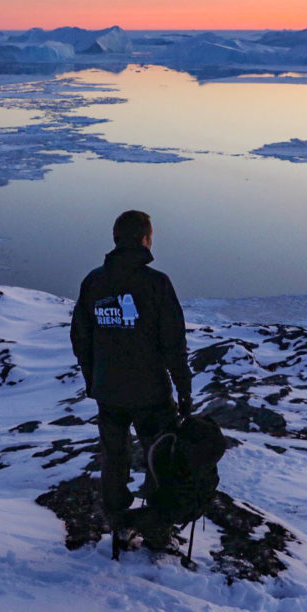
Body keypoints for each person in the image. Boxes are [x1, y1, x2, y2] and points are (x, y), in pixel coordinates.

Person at [70, 210, 193, 543]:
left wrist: (93, 380)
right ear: (145, 239)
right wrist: (184, 391)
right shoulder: (156, 284)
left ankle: (119, 521)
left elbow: (81, 338)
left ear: (115, 238)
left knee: (114, 458)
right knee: (159, 459)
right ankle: (156, 529)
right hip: (150, 394)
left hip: (109, 392)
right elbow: (173, 344)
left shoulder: (94, 281)